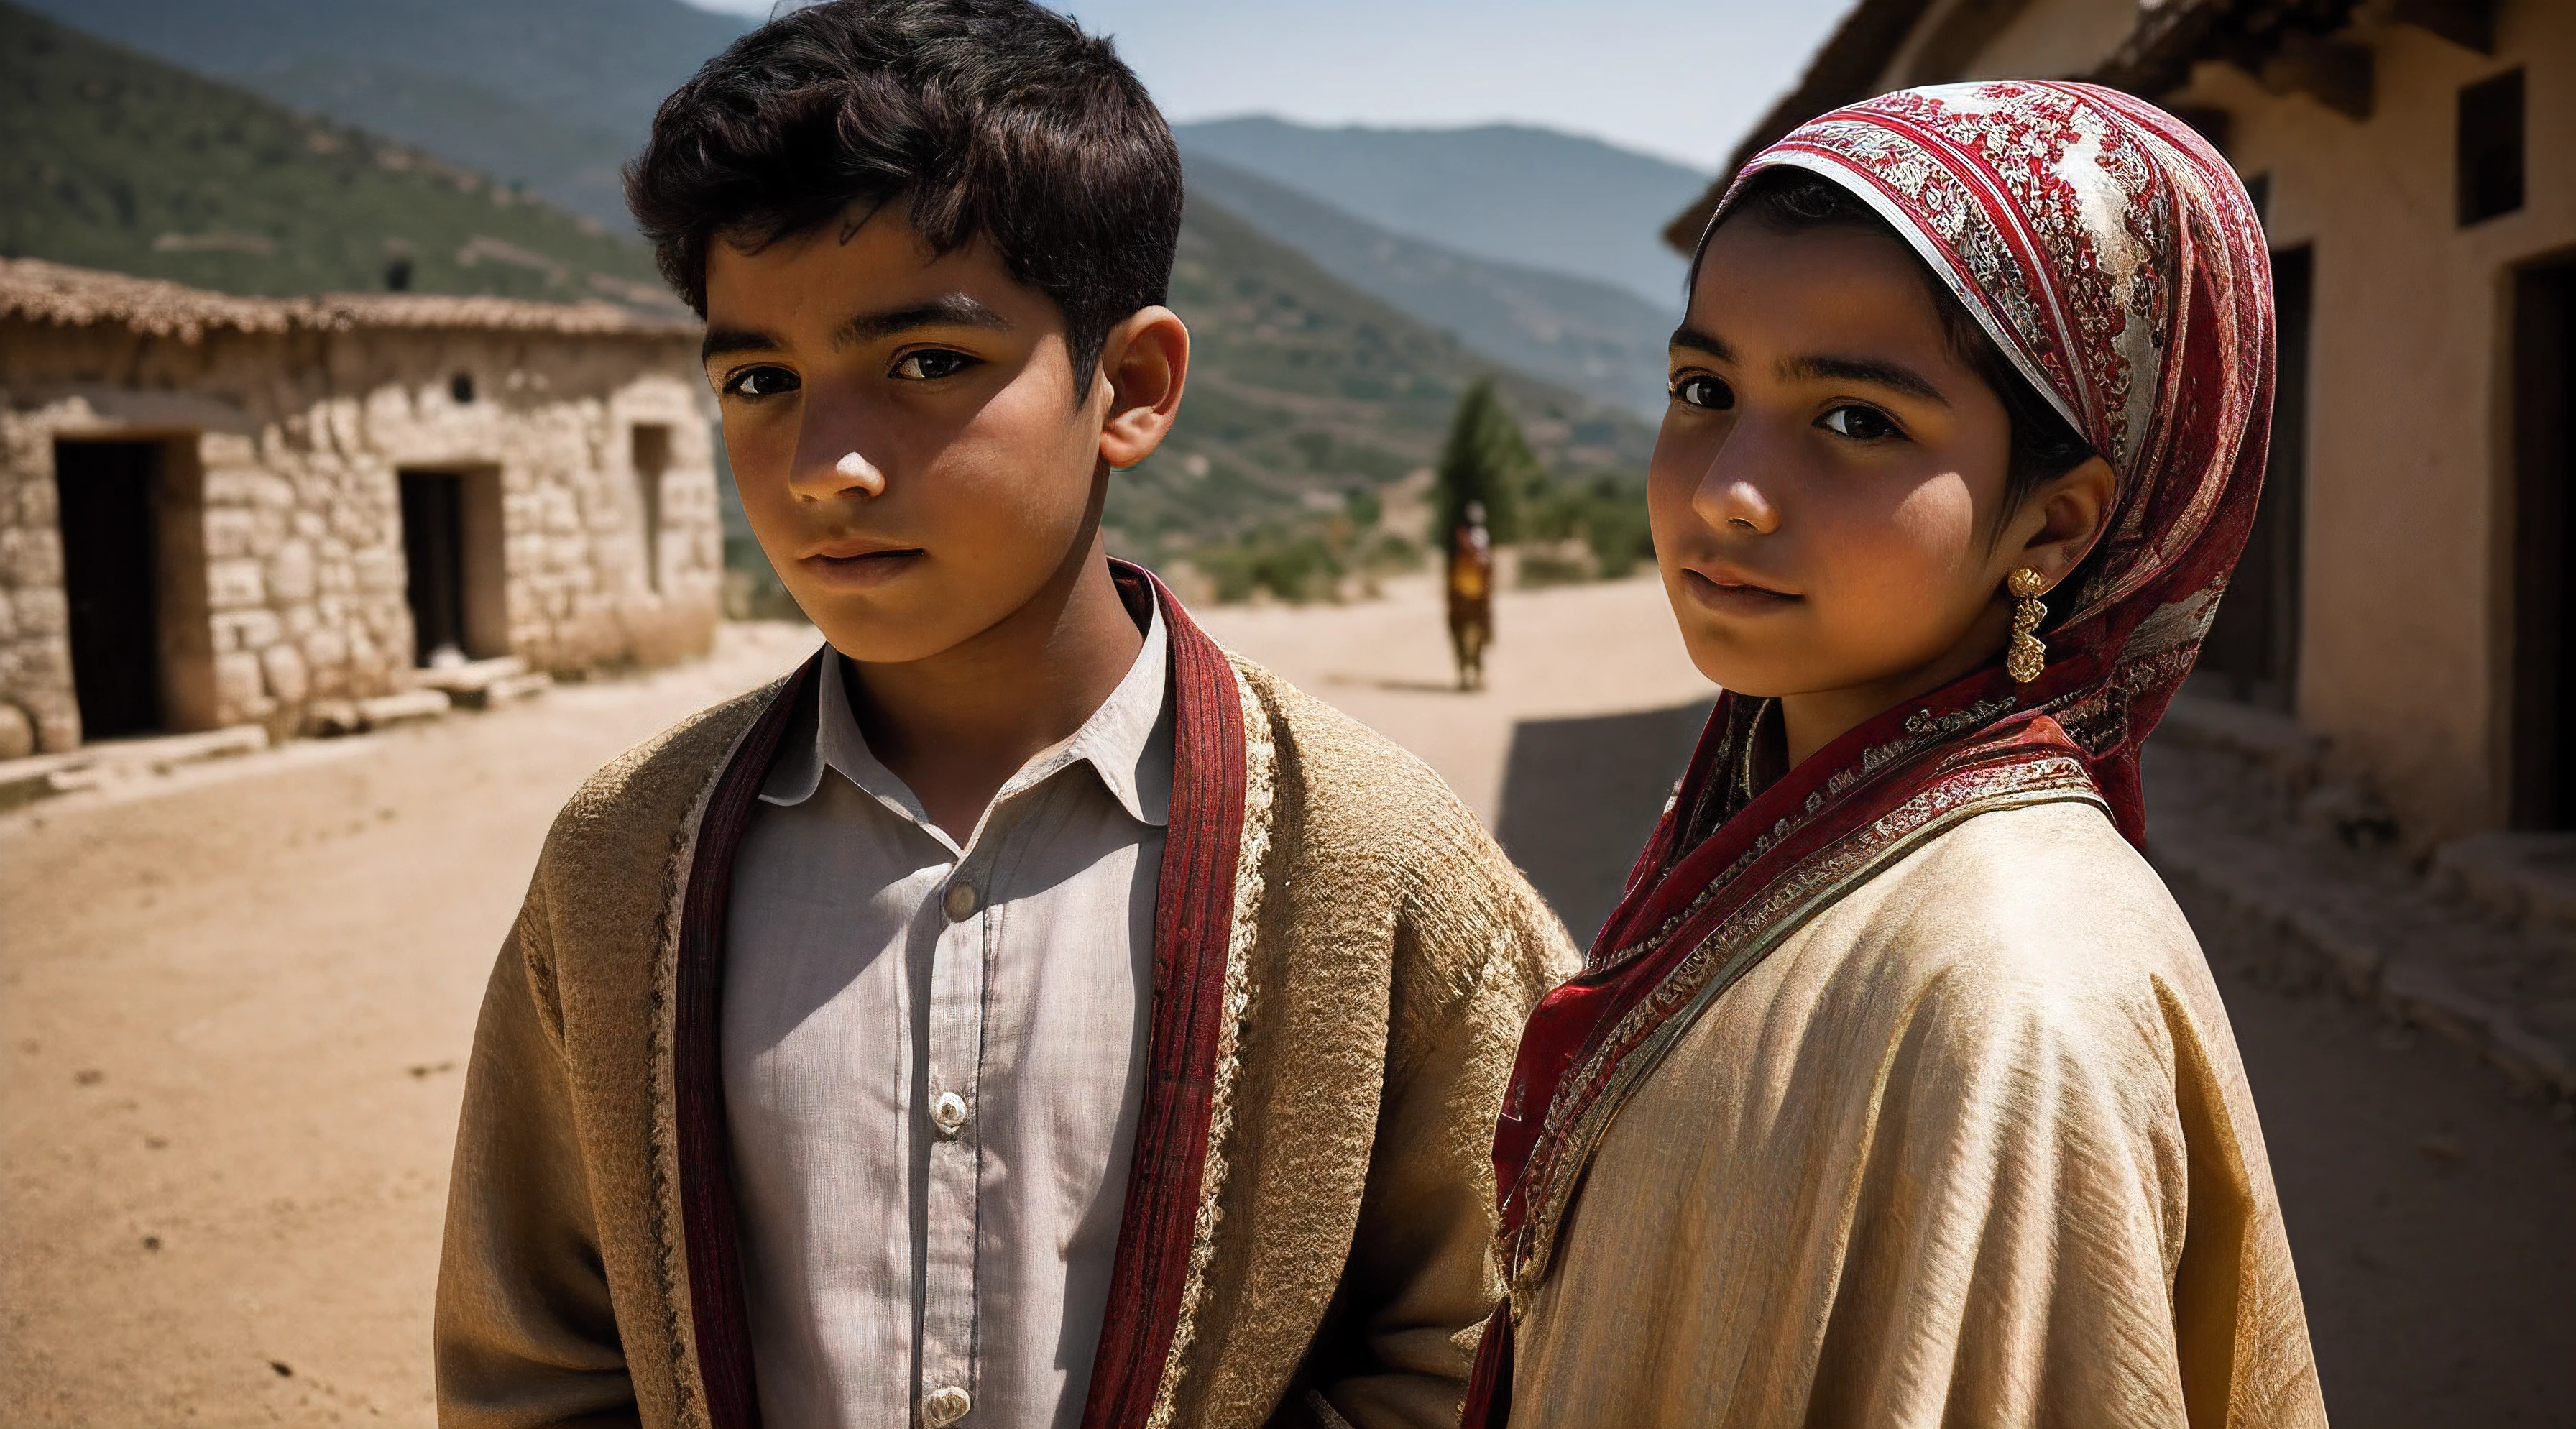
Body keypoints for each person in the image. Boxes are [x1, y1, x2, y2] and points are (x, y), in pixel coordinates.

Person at [433, 5, 1575, 1427]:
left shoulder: (1376, 865)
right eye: (758, 381)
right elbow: (537, 1363)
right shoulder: (622, 869)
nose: (826, 466)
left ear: (1133, 388)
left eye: (925, 363)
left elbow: (1501, 1341)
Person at [1463, 82, 2327, 1427]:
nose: (1722, 490)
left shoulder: (2009, 994)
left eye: (1854, 419)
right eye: (1702, 389)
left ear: (2051, 527)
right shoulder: (1782, 826)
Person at [1448, 500, 1495, 691]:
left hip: (1477, 593)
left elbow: (1486, 565)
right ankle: (1466, 674)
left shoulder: (1481, 536)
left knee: (1477, 637)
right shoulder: (1462, 538)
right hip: (1464, 592)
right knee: (1463, 636)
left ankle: (1475, 673)